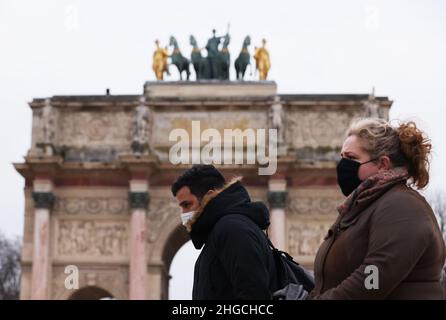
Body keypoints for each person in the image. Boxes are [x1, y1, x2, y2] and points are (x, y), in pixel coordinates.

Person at [309, 118, 446, 299]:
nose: (342, 166)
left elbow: (374, 278)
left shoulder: (402, 205)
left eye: (351, 158)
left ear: (382, 164)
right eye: (341, 157)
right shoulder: (363, 206)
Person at [171, 164, 279, 299]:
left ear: (208, 196)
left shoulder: (232, 230)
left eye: (187, 205)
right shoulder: (222, 232)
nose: (183, 213)